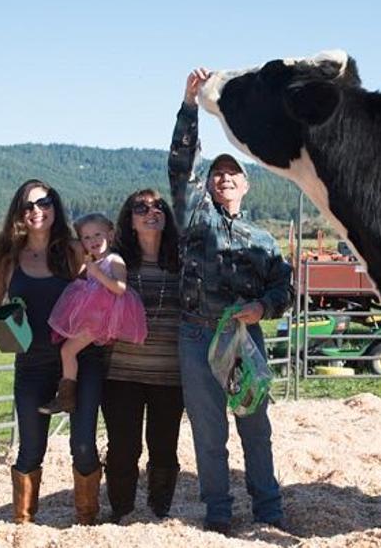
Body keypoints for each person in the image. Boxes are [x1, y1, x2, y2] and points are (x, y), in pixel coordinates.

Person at [169, 68, 293, 535]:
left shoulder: (262, 239)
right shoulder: (194, 218)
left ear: (246, 185)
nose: (223, 177)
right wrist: (190, 105)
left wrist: (263, 308)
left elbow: (284, 289)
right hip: (197, 333)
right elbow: (182, 164)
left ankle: (269, 510)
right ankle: (218, 513)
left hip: (245, 337)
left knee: (255, 429)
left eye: (232, 173)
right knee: (208, 433)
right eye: (217, 172)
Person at [0, 180, 106, 525]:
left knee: (83, 446)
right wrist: (7, 332)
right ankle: (23, 524)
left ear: (56, 205)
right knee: (30, 450)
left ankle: (86, 521)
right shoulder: (6, 260)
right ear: (18, 213)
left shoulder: (74, 250)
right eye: (28, 205)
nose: (37, 210)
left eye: (44, 202)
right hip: (32, 364)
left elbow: (102, 289)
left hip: (81, 362)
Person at [101, 189, 185, 523]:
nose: (151, 211)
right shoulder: (116, 263)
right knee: (123, 448)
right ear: (129, 220)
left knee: (164, 447)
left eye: (158, 206)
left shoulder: (183, 262)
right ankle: (122, 511)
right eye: (141, 208)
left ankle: (158, 510)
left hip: (170, 373)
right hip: (121, 372)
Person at [40, 213, 147, 414]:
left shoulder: (114, 260)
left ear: (111, 235)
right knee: (66, 349)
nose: (93, 241)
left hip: (100, 320)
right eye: (86, 238)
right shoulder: (93, 262)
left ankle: (65, 398)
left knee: (67, 351)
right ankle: (66, 394)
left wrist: (97, 274)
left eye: (98, 235)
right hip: (93, 318)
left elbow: (120, 288)